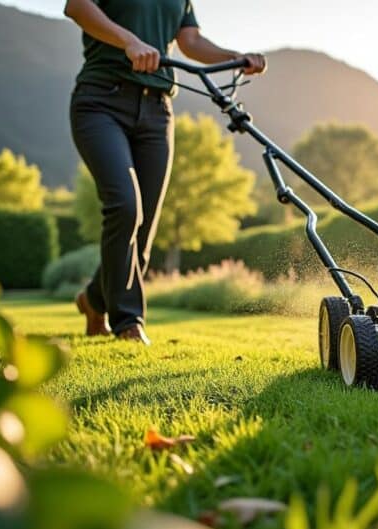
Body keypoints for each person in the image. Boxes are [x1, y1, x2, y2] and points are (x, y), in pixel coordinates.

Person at [63, 0, 266, 345]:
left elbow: (191, 42)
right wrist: (129, 41)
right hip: (101, 101)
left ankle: (94, 300)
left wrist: (237, 57)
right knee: (126, 206)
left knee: (143, 229)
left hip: (157, 111)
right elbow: (77, 7)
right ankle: (128, 321)